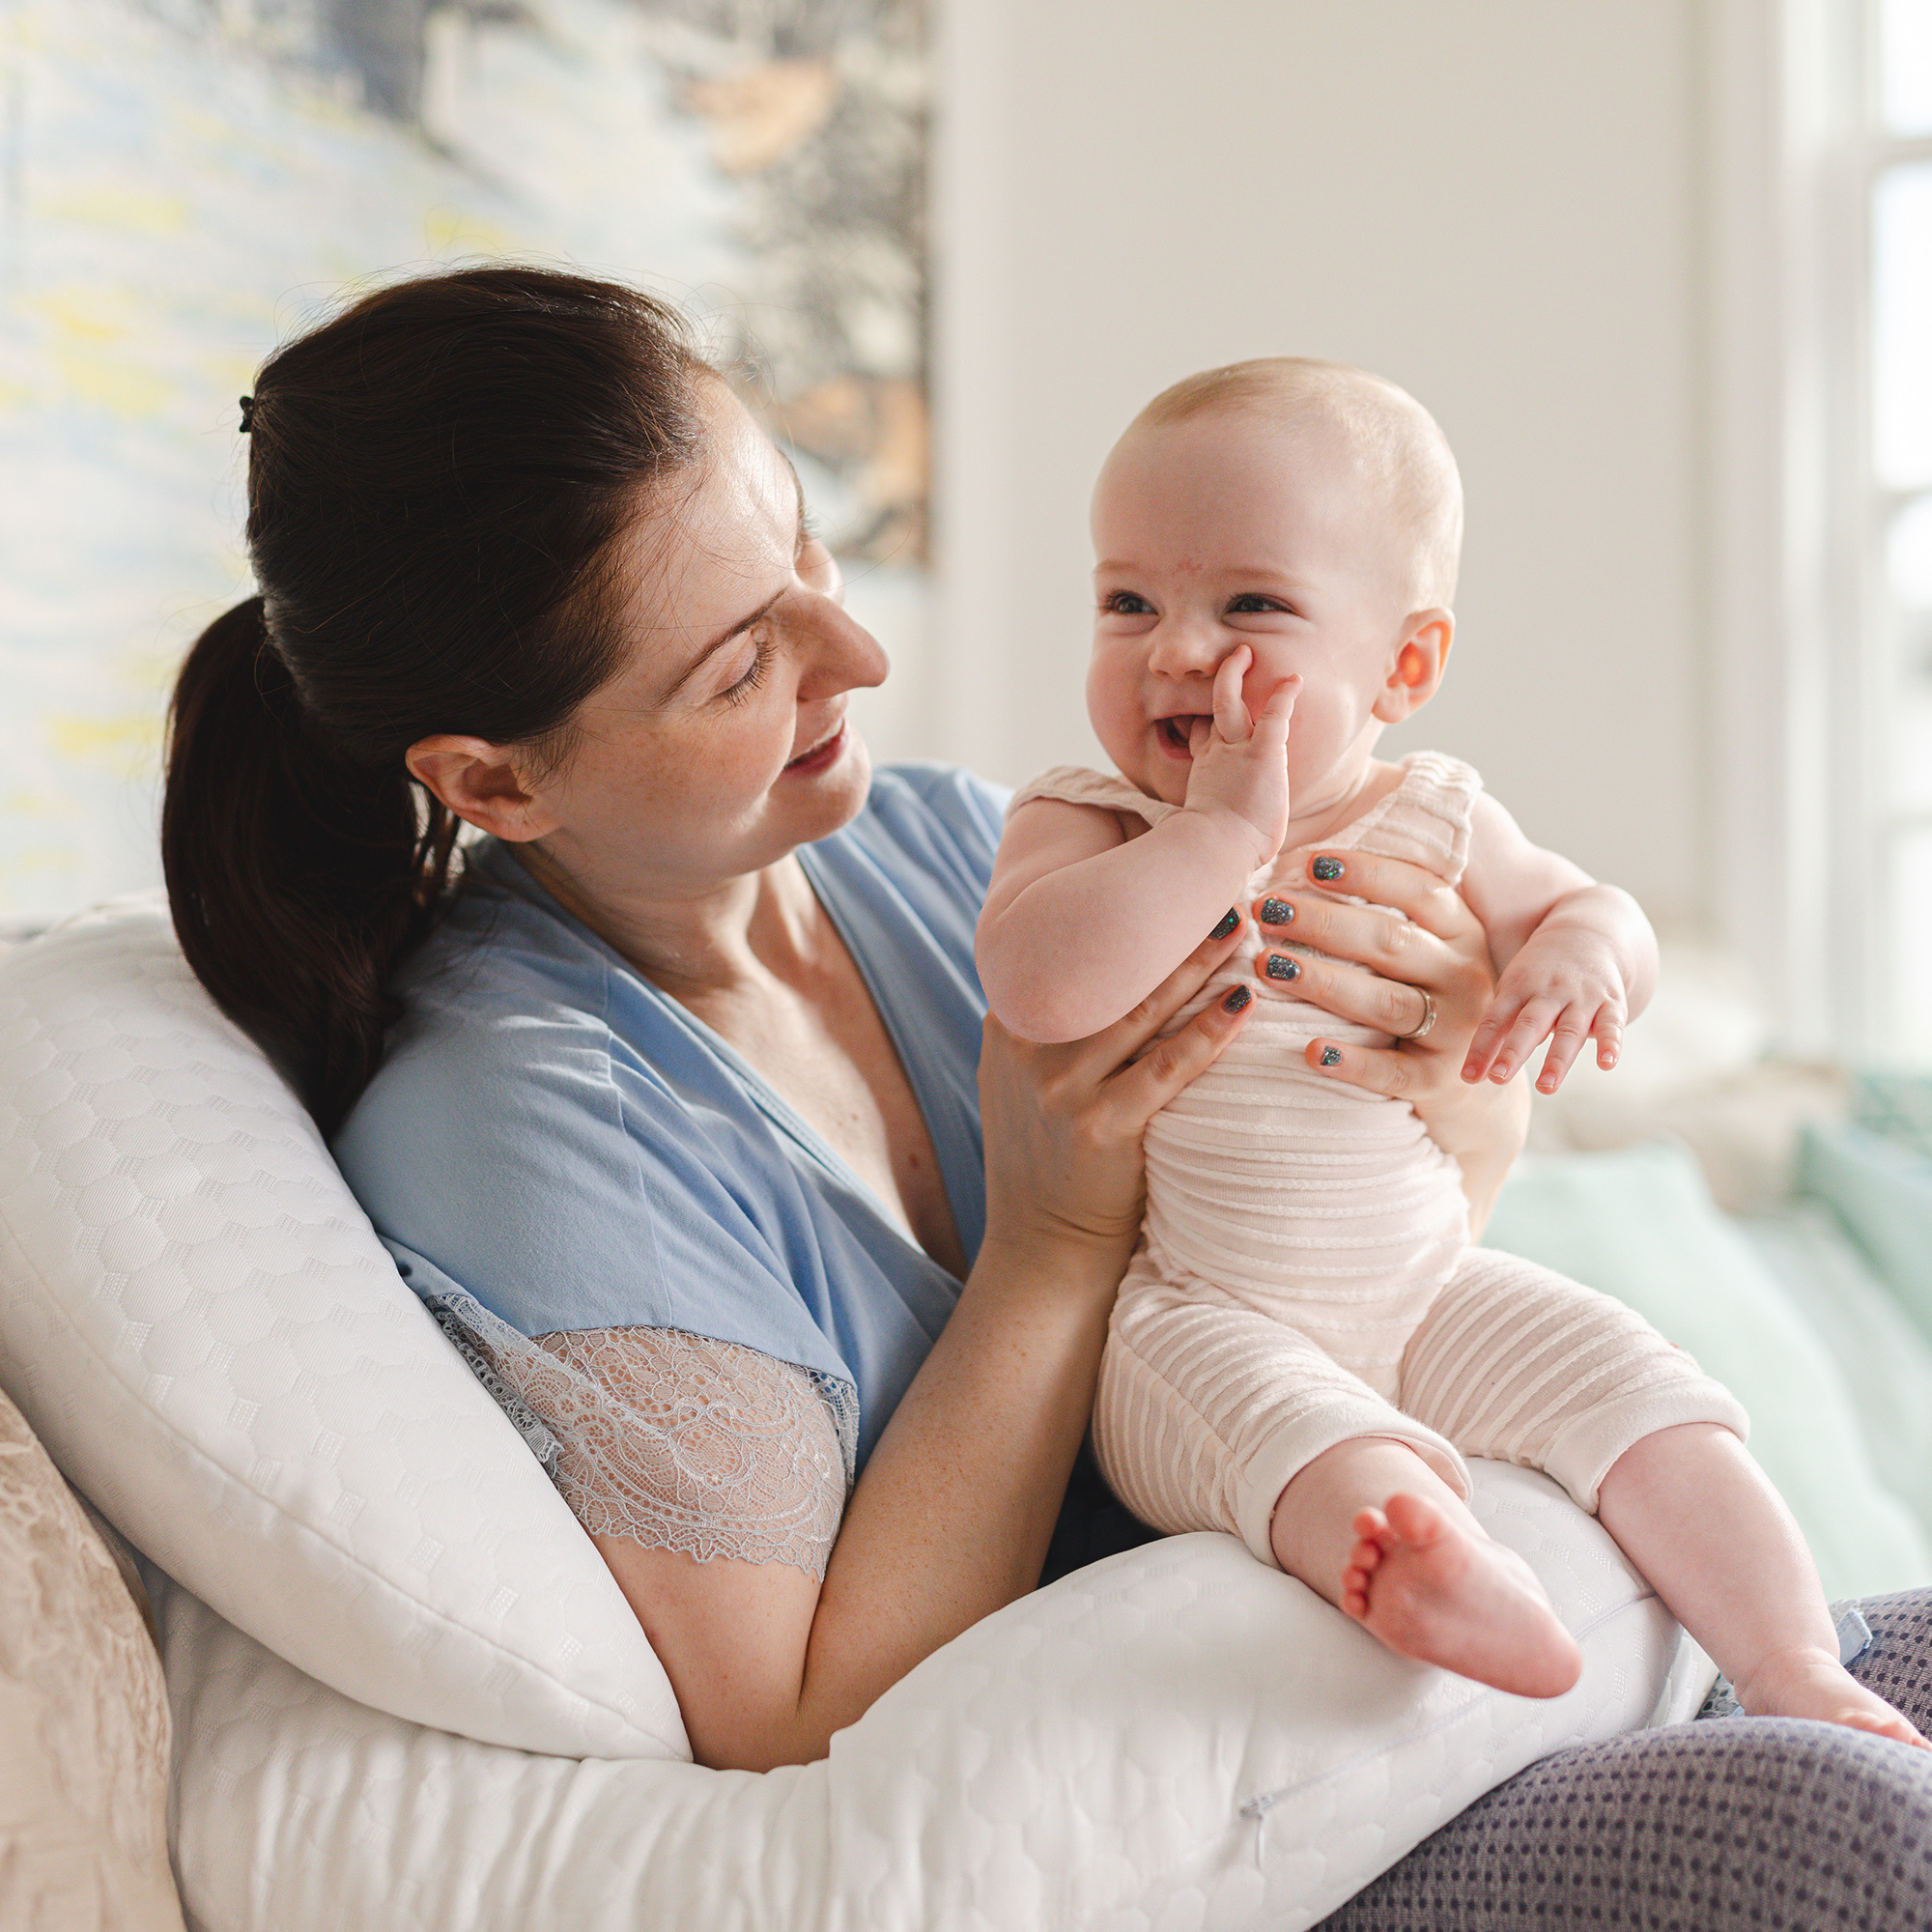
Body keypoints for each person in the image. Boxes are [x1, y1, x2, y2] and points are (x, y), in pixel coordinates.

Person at [159, 267, 1932, 1918]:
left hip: (1445, 1673)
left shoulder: (933, 835)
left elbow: (1348, 1254)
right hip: (1244, 1833)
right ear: (497, 777)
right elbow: (797, 1715)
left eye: (809, 549)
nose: (855, 660)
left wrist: (1466, 1072)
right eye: (739, 664)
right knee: (1864, 1847)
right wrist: (1057, 1237)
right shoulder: (531, 1131)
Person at [973, 356, 1927, 1749]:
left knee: (1645, 1393)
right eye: (1129, 602)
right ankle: (1427, 1571)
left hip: (1427, 1284)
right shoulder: (1091, 820)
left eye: (1249, 605)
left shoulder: (1435, 815)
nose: (1177, 651)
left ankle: (1795, 1665)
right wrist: (1220, 838)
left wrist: (1583, 952)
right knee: (1288, 1435)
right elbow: (1037, 984)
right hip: (1197, 1306)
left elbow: (1587, 908)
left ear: (1404, 665)